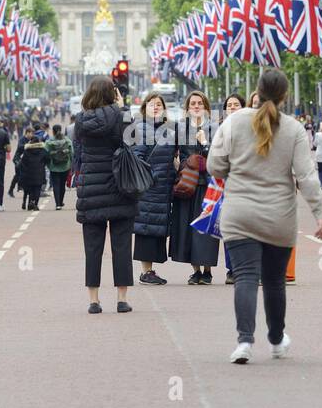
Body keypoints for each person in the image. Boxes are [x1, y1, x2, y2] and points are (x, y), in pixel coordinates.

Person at [208, 69, 322, 364]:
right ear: (285, 96)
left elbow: (214, 164)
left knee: (246, 277)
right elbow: (306, 176)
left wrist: (233, 170)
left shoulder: (234, 122)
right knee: (274, 281)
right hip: (279, 216)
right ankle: (276, 340)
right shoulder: (294, 129)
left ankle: (244, 342)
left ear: (257, 92)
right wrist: (319, 213)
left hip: (240, 212)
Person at [74, 76, 137, 313]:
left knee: (93, 248)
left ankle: (94, 300)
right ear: (113, 93)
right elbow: (132, 141)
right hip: (119, 185)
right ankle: (121, 299)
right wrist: (123, 108)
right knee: (121, 246)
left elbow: (79, 150)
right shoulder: (120, 115)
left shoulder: (80, 120)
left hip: (91, 188)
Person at [169, 91, 219, 284]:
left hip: (206, 184)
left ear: (206, 107)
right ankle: (195, 270)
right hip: (186, 185)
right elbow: (173, 154)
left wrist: (204, 143)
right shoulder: (180, 129)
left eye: (199, 103)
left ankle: (207, 271)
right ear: (187, 108)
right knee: (187, 228)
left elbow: (218, 157)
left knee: (205, 228)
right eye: (192, 104)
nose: (196, 106)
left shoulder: (214, 129)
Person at [132, 91, 176, 285]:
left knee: (156, 229)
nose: (156, 106)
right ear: (145, 108)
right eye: (152, 104)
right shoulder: (140, 129)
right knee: (146, 228)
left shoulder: (170, 130)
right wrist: (151, 178)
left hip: (164, 188)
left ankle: (150, 271)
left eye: (159, 104)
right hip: (149, 188)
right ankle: (146, 272)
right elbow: (137, 158)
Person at [221, 94, 246, 282]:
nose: (232, 107)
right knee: (230, 229)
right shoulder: (220, 129)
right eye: (229, 105)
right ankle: (232, 268)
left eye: (236, 104)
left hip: (248, 185)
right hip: (226, 185)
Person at [16, 130, 48, 211]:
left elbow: (23, 162)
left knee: (30, 189)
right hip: (40, 172)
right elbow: (48, 159)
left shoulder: (27, 151)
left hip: (29, 173)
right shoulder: (43, 150)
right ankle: (35, 203)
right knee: (37, 189)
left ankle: (30, 202)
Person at [44, 124, 73, 210]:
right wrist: (70, 163)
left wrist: (48, 164)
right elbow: (72, 153)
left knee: (56, 185)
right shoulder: (67, 140)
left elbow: (45, 153)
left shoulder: (49, 141)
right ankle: (61, 201)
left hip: (53, 167)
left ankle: (57, 204)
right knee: (62, 185)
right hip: (65, 166)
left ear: (53, 131)